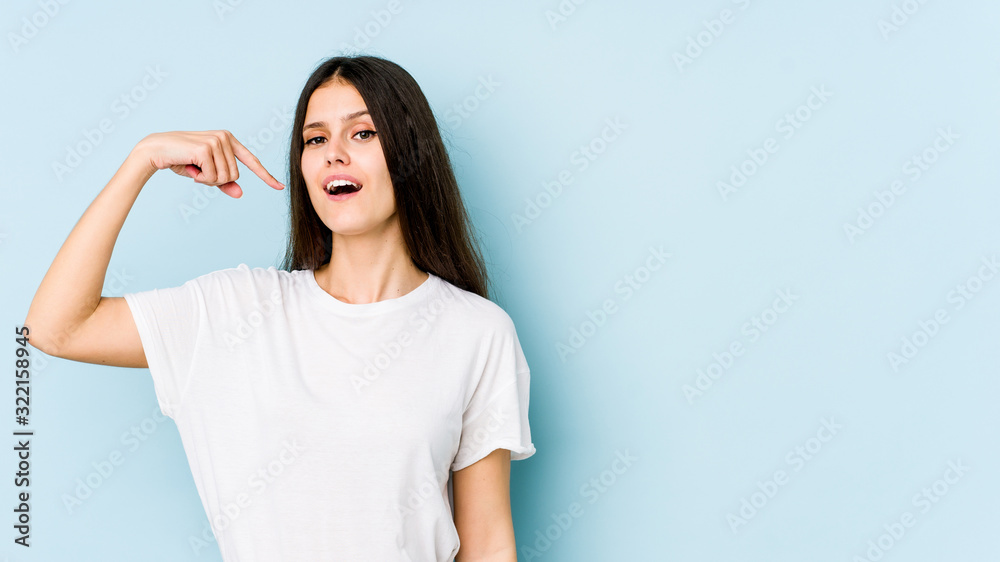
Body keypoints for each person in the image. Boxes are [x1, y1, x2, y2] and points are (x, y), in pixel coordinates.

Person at [24, 55, 535, 561]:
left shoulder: (476, 331)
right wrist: (143, 159)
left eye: (363, 133)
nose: (334, 155)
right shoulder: (234, 313)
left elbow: (488, 545)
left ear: (410, 152)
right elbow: (55, 328)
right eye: (316, 140)